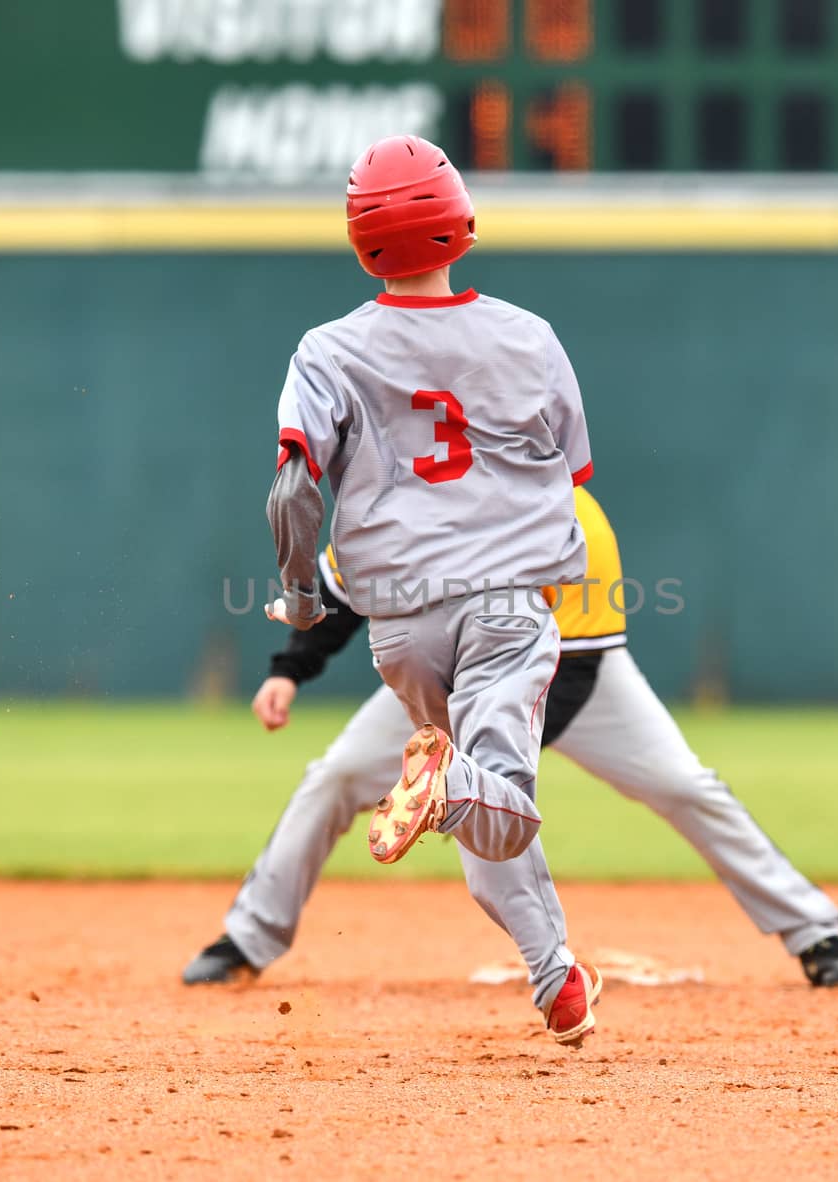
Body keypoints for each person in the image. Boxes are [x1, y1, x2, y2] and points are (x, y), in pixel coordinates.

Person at [189, 487, 838, 998]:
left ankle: (816, 931)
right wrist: (289, 672)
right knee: (337, 775)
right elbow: (341, 595)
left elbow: (563, 675)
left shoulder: (569, 519)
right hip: (440, 677)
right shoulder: (403, 498)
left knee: (682, 784)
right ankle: (246, 938)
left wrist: (472, 775)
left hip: (580, 675)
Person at [259, 134, 601, 1045]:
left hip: (398, 626)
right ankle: (445, 787)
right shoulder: (529, 336)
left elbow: (294, 488)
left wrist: (300, 596)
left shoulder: (327, 349)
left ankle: (555, 981)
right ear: (461, 226)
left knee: (487, 801)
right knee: (494, 803)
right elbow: (575, 472)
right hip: (504, 610)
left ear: (360, 238)